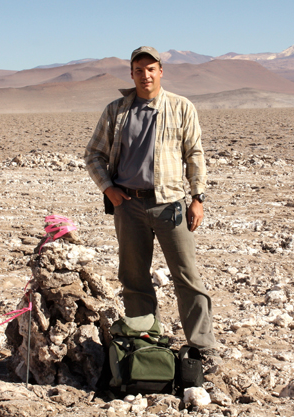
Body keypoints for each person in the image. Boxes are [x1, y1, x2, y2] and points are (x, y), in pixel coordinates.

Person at [84, 46, 217, 353]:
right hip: (128, 206)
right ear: (132, 74)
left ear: (161, 72)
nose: (145, 75)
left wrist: (197, 198)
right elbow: (93, 154)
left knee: (187, 277)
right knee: (134, 278)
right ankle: (145, 343)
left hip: (171, 205)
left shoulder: (181, 107)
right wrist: (108, 188)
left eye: (151, 69)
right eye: (139, 70)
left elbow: (194, 154)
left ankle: (203, 348)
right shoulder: (116, 111)